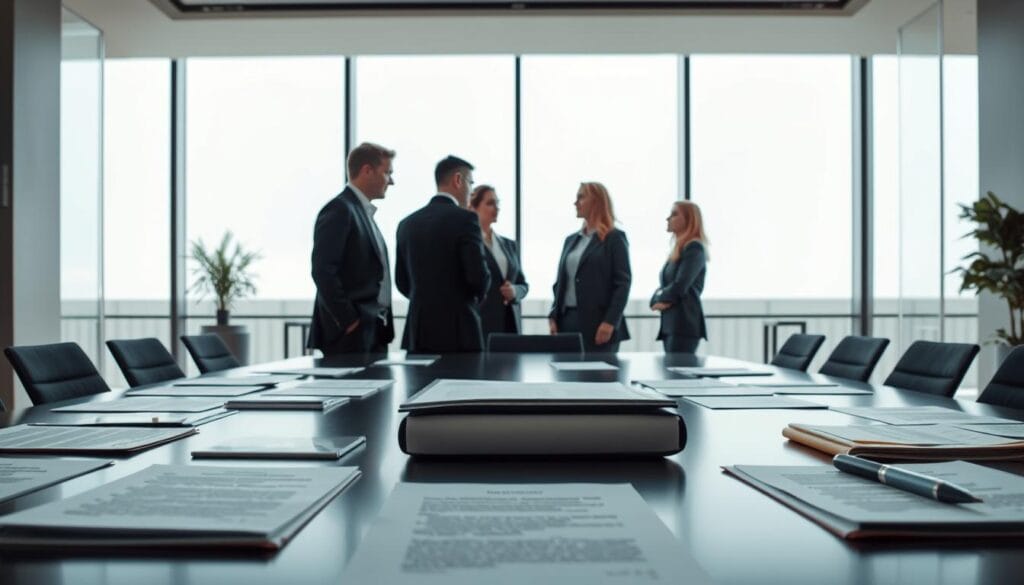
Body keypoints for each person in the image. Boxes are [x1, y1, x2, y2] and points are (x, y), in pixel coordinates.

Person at [396, 155, 491, 353]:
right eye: (470, 184)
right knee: (464, 383)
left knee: (420, 384)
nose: (471, 192)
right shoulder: (466, 220)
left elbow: (402, 282)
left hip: (418, 332)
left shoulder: (407, 224)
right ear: (458, 180)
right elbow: (477, 278)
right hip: (460, 332)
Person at [308, 142, 396, 354]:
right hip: (350, 332)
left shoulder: (362, 213)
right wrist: (349, 320)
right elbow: (323, 270)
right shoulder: (340, 210)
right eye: (387, 173)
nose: (391, 181)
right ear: (367, 170)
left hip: (373, 328)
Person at [548, 182, 631, 353]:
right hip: (567, 322)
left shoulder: (614, 238)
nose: (575, 202)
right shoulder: (570, 240)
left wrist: (609, 322)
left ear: (596, 201)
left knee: (598, 378)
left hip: (600, 324)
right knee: (566, 377)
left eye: (581, 197)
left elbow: (622, 284)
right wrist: (553, 315)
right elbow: (560, 283)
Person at [469, 185, 529, 339]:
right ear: (474, 208)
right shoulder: (469, 244)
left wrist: (515, 291)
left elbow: (523, 284)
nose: (496, 208)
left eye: (497, 203)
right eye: (490, 203)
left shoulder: (509, 245)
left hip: (510, 324)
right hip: (482, 323)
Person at [651, 200, 709, 353]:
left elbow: (680, 285)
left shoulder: (694, 248)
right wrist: (658, 298)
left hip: (684, 325)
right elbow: (665, 286)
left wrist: (662, 297)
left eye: (674, 214)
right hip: (671, 324)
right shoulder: (678, 250)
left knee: (678, 374)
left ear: (689, 220)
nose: (668, 218)